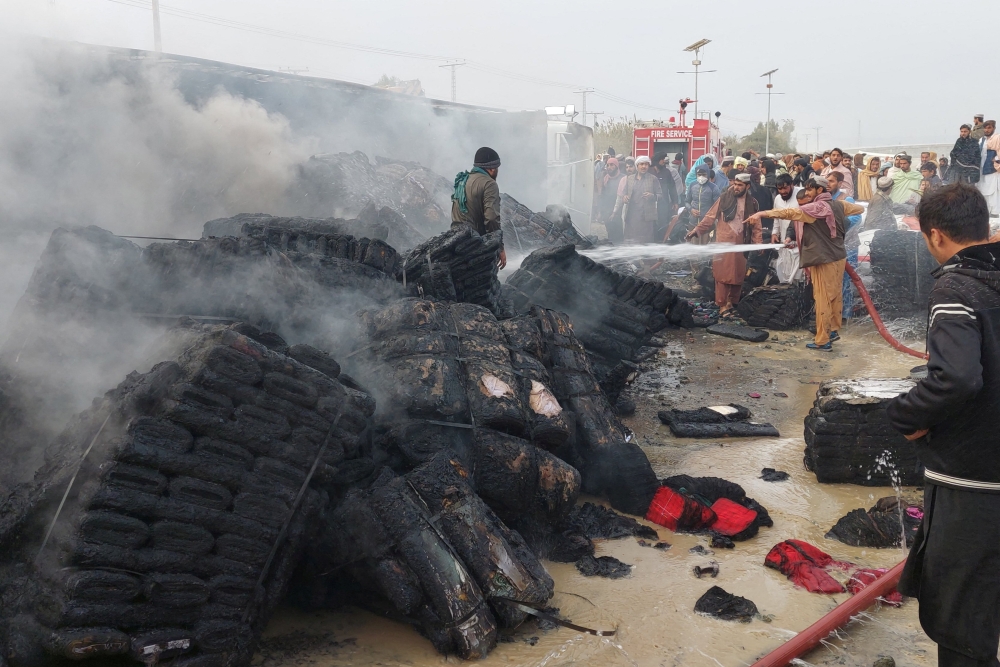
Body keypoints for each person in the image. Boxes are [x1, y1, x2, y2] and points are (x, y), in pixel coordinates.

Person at [885, 183, 1000, 667]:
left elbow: (955, 378)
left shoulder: (956, 288)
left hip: (972, 476)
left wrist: (905, 416)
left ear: (934, 235)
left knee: (960, 614)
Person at [747, 176, 864, 349]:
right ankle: (832, 330)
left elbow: (788, 213)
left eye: (810, 189)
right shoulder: (839, 205)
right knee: (834, 295)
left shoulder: (814, 209)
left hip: (823, 259)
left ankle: (823, 340)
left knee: (822, 298)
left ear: (819, 190)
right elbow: (859, 208)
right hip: (839, 257)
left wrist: (762, 213)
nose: (807, 192)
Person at [685, 173, 763, 315]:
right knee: (722, 275)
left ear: (748, 186)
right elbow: (709, 217)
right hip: (723, 242)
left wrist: (758, 242)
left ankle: (732, 304)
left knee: (738, 275)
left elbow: (756, 225)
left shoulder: (752, 203)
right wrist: (696, 231)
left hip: (741, 244)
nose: (736, 187)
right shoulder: (724, 198)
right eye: (735, 184)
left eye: (740, 185)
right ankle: (721, 305)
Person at [452, 146, 506, 268]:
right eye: (497, 168)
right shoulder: (489, 183)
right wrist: (499, 247)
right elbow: (492, 218)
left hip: (455, 242)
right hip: (475, 244)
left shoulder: (463, 180)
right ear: (492, 169)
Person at [614, 155, 662, 242]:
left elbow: (660, 195)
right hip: (631, 217)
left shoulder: (653, 179)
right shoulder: (630, 179)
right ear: (637, 166)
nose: (644, 166)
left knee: (645, 242)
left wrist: (652, 196)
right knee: (631, 242)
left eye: (646, 164)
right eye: (642, 164)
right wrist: (624, 198)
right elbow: (624, 194)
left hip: (646, 218)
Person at [599, 157, 625, 243]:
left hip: (619, 210)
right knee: (610, 233)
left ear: (617, 166)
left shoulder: (623, 178)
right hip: (607, 210)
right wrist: (601, 211)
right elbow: (602, 195)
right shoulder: (606, 178)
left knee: (619, 234)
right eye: (608, 165)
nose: (609, 167)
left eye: (612, 165)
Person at [978, 120, 1000, 216]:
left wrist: (996, 159)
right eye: (985, 128)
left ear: (994, 128)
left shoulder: (997, 138)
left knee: (994, 196)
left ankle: (995, 216)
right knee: (984, 195)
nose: (987, 130)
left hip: (993, 172)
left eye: (989, 128)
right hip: (982, 172)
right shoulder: (981, 140)